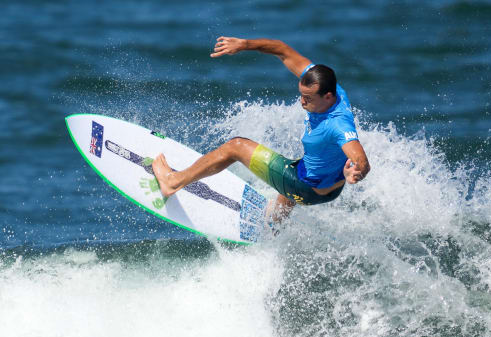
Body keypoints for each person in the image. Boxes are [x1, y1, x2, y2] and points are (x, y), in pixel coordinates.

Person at [152, 37, 370, 223]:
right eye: (301, 94)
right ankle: (275, 225)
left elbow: (361, 159)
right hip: (329, 187)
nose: (302, 102)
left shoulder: (338, 124)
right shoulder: (331, 88)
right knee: (293, 167)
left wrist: (356, 172)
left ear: (328, 96)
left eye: (308, 98)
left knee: (235, 147)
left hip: (308, 189)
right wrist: (244, 44)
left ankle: (172, 182)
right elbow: (283, 51)